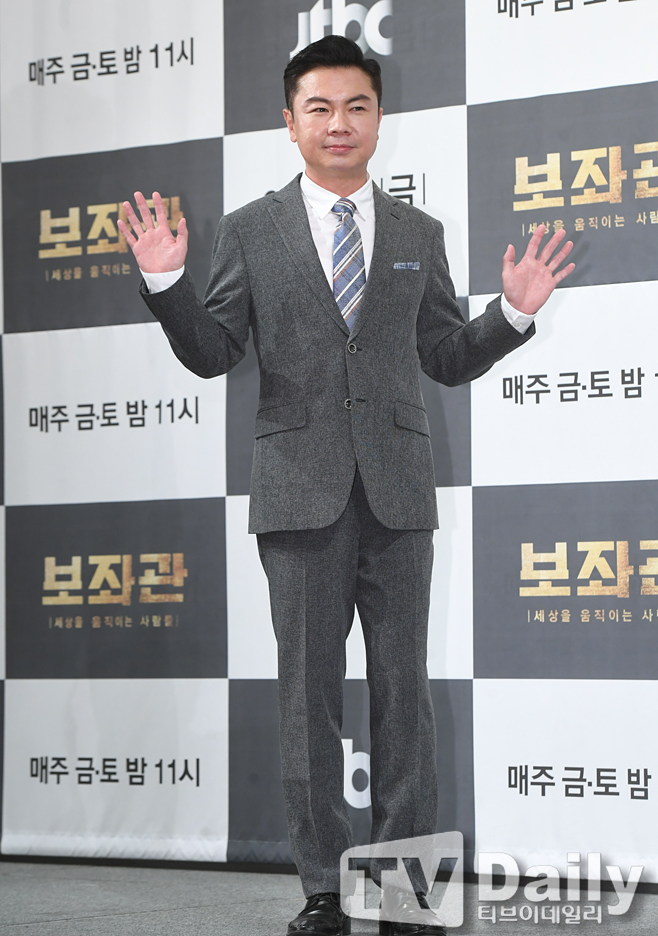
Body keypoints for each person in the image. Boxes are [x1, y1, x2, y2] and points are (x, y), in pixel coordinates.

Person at [118, 35, 574, 936]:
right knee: (307, 699)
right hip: (298, 493)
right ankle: (325, 888)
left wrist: (512, 315)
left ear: (379, 118)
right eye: (319, 108)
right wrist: (166, 282)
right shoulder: (251, 229)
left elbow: (445, 357)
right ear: (289, 123)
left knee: (405, 695)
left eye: (356, 106)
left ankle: (401, 893)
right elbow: (214, 353)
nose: (339, 122)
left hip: (398, 494)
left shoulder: (417, 233)